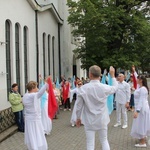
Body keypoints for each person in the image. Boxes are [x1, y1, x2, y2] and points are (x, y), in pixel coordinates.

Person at [76, 65, 118, 150]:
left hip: (89, 120)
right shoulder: (104, 87)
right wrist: (112, 75)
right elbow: (115, 88)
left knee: (90, 143)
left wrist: (78, 118)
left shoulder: (83, 89)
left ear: (90, 74)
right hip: (102, 119)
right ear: (99, 75)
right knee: (104, 140)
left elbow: (78, 106)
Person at [23, 77, 50, 150]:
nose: (37, 88)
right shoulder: (31, 95)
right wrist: (46, 83)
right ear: (32, 88)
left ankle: (33, 147)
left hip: (29, 118)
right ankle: (36, 147)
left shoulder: (25, 95)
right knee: (36, 134)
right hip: (34, 119)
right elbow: (40, 93)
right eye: (36, 87)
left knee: (32, 134)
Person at [131, 73, 150, 147]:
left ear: (141, 80)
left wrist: (137, 111)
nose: (136, 79)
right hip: (142, 108)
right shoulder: (141, 88)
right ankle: (143, 138)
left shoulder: (143, 89)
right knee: (142, 123)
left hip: (142, 109)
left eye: (138, 78)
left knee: (141, 124)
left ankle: (143, 142)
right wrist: (134, 71)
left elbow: (141, 100)